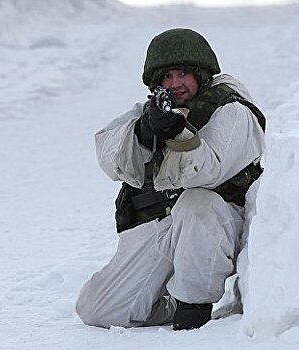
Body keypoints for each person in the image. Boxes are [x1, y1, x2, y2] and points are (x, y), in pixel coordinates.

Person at [75, 28, 266, 331]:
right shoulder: (157, 110)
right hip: (167, 225)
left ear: (201, 74)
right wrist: (143, 132)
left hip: (220, 224)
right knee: (97, 310)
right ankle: (170, 304)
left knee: (196, 203)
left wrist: (178, 134)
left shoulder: (232, 112)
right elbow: (108, 154)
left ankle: (194, 306)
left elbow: (207, 172)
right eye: (166, 77)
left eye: (182, 74)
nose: (175, 84)